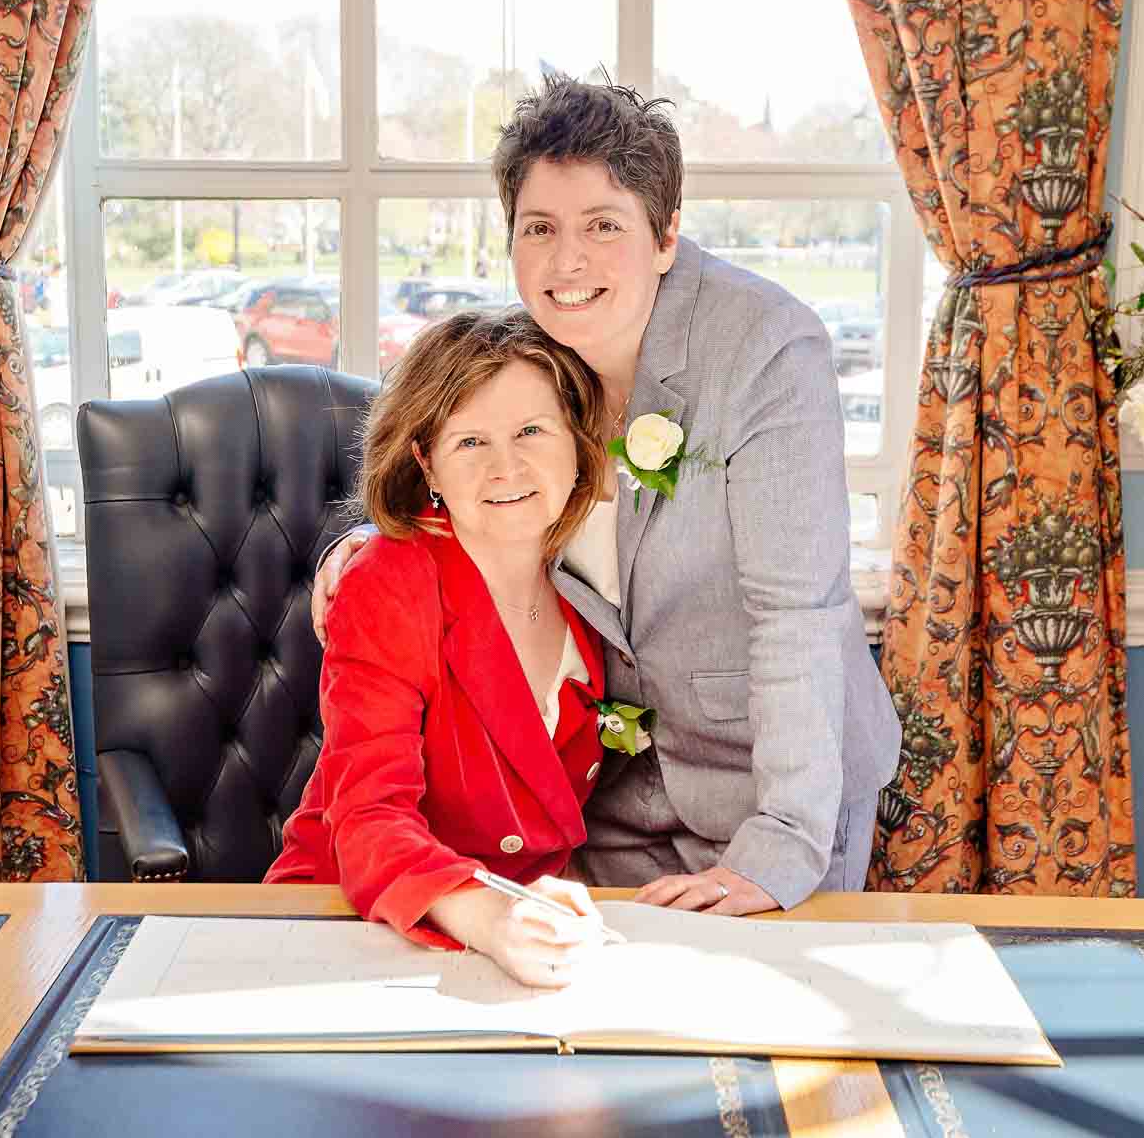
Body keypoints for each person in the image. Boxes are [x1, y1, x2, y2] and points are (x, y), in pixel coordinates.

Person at [314, 75, 902, 916]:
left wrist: (779, 848)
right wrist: (363, 545)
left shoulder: (767, 348)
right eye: (540, 229)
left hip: (772, 789)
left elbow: (797, 616)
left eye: (604, 226)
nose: (568, 261)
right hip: (608, 799)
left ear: (665, 236)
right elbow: (461, 462)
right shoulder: (537, 349)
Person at [266, 311, 617, 989]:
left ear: (576, 439)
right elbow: (368, 820)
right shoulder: (387, 581)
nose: (506, 467)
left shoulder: (590, 572)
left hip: (515, 935)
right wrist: (491, 919)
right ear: (426, 460)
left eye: (531, 432)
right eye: (470, 443)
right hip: (357, 927)